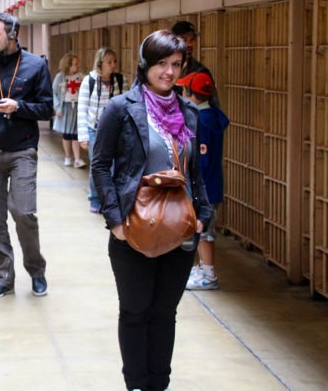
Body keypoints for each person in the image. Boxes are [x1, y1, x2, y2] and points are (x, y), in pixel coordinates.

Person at [91, 30, 212, 391]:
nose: (169, 72)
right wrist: (115, 220)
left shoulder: (189, 112)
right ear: (146, 64)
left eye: (176, 64)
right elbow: (100, 165)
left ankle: (159, 383)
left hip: (180, 230)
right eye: (162, 63)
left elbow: (195, 172)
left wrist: (203, 216)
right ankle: (137, 384)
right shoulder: (121, 108)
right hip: (134, 227)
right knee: (135, 311)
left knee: (164, 314)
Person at [0, 13, 54, 299]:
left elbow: (46, 108)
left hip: (22, 151)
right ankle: (4, 277)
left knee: (24, 211)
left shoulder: (36, 66)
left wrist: (19, 107)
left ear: (12, 35)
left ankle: (36, 270)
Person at [177, 71, 229, 291]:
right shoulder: (213, 116)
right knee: (201, 230)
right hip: (211, 183)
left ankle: (208, 273)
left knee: (204, 231)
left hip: (204, 187)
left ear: (190, 93)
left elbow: (201, 160)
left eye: (183, 90)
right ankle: (202, 269)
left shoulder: (201, 122)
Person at [78, 47, 125, 213]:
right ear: (100, 63)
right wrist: (83, 135)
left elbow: (124, 107)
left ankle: (110, 199)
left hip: (113, 130)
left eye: (114, 61)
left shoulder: (119, 80)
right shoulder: (88, 81)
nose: (113, 65)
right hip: (94, 129)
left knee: (114, 166)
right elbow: (82, 109)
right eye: (109, 62)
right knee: (97, 166)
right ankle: (96, 198)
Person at [171, 20, 219, 107]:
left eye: (192, 40)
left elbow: (212, 102)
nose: (189, 44)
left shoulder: (200, 71)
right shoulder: (160, 68)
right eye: (184, 39)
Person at [52, 53, 85, 168]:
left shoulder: (81, 76)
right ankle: (67, 157)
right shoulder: (60, 77)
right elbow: (54, 93)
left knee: (76, 133)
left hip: (77, 107)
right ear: (68, 65)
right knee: (66, 134)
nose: (77, 66)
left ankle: (77, 159)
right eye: (75, 64)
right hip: (65, 107)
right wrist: (57, 107)